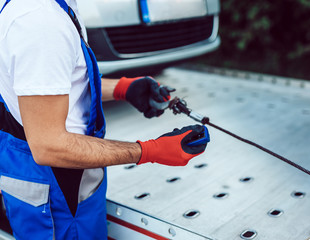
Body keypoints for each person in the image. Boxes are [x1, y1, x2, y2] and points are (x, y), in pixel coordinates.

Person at [0, 0, 208, 239]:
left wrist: (124, 88)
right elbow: (50, 146)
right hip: (57, 194)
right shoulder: (40, 22)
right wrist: (150, 151)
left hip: (64, 179)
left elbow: (54, 84)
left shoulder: (53, 9)